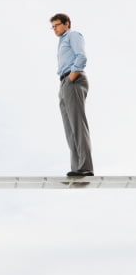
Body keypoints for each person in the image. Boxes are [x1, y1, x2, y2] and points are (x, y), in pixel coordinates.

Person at [50, 13, 94, 177]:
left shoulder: (73, 35)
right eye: (52, 27)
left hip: (73, 80)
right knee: (69, 129)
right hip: (64, 83)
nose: (55, 29)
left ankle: (86, 167)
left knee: (77, 124)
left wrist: (71, 77)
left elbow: (81, 56)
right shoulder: (61, 41)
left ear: (67, 23)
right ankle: (77, 168)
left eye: (57, 25)